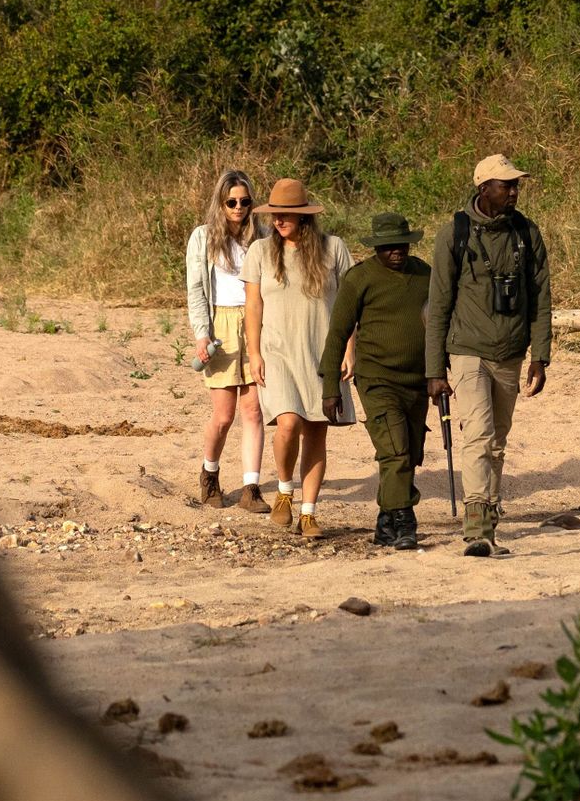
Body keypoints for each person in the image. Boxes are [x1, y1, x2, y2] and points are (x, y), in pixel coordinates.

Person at [424, 152, 550, 556]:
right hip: (467, 351)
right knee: (477, 434)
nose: (514, 191)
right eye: (506, 184)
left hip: (511, 351)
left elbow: (541, 297)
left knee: (497, 440)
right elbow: (439, 302)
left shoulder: (527, 233)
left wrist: (540, 356)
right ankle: (476, 528)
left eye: (516, 184)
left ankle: (491, 520)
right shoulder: (455, 234)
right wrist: (434, 369)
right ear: (484, 188)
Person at [242, 176, 354, 539]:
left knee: (317, 430)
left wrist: (350, 348)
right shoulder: (260, 251)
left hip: (323, 352)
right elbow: (253, 306)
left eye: (287, 213)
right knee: (288, 423)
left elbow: (351, 304)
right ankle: (284, 491)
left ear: (305, 216)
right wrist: (254, 353)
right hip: (277, 352)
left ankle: (309, 512)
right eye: (275, 213)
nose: (279, 219)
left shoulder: (332, 248)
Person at [324, 210, 436, 550]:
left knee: (411, 452)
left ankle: (385, 523)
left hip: (418, 380)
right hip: (376, 379)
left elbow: (441, 325)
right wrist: (331, 388)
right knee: (395, 449)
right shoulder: (360, 279)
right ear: (376, 247)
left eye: (401, 245)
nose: (396, 251)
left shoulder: (426, 275)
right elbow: (337, 334)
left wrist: (442, 373)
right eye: (388, 247)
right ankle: (405, 522)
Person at [181, 167, 269, 510]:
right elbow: (195, 291)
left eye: (245, 201)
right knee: (223, 415)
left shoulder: (260, 237)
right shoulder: (202, 237)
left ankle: (251, 488)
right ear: (220, 202)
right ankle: (210, 473)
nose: (238, 207)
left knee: (254, 411)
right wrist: (202, 335)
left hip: (254, 321)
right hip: (221, 324)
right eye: (231, 201)